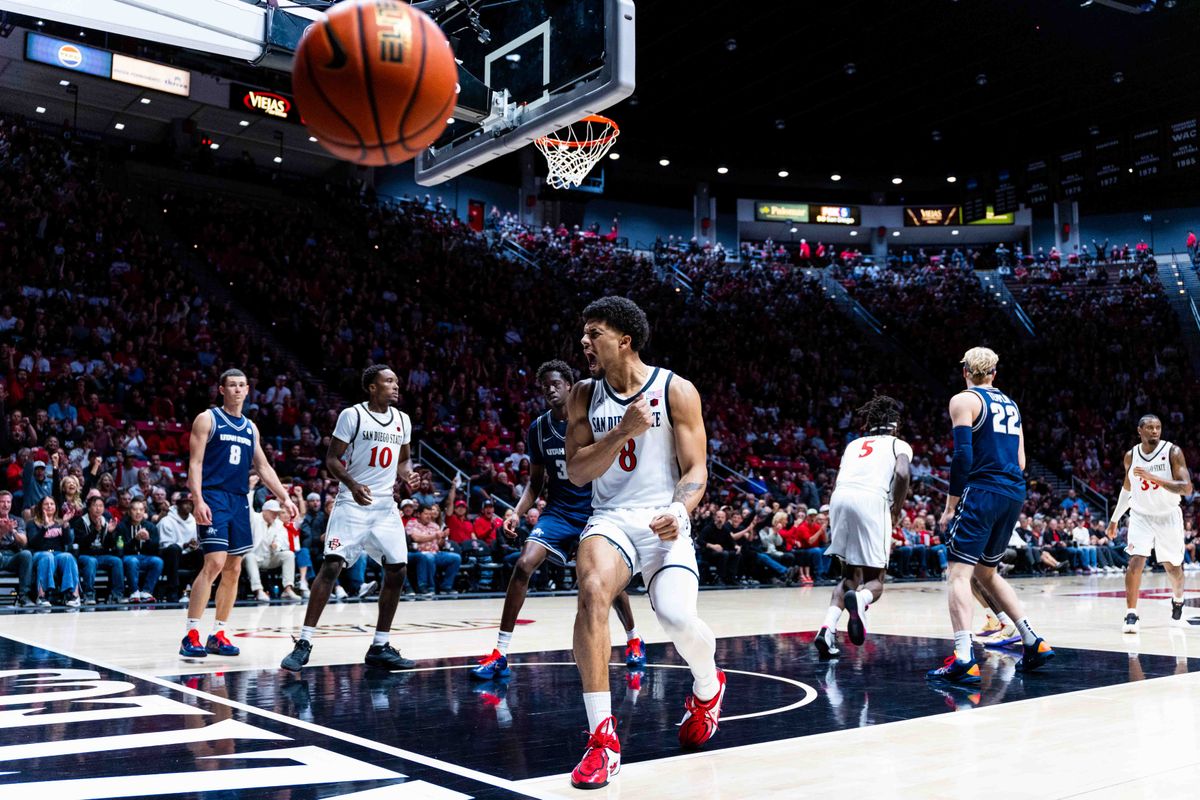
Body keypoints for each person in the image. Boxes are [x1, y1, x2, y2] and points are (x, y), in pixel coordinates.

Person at [565, 297, 722, 789]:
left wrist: (679, 511)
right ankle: (602, 738)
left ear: (624, 340)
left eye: (594, 333)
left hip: (664, 518)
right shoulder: (582, 395)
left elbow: (696, 469)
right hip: (611, 518)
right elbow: (576, 471)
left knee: (676, 619)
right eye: (584, 334)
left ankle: (707, 686)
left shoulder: (676, 389)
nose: (584, 342)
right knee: (592, 590)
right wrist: (623, 432)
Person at [472, 361, 644, 681]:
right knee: (523, 564)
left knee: (604, 581)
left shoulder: (593, 421)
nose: (550, 390)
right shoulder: (538, 428)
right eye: (544, 386)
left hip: (596, 512)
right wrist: (516, 512)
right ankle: (500, 653)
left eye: (555, 384)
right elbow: (535, 483)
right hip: (559, 512)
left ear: (569, 386)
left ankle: (634, 638)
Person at [927, 347, 1055, 685]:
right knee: (987, 571)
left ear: (965, 371)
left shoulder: (964, 400)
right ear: (995, 373)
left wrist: (951, 506)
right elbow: (1023, 461)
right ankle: (1032, 640)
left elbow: (963, 456)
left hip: (983, 490)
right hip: (1013, 491)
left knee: (957, 574)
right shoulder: (1011, 405)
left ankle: (964, 658)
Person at [281, 365, 420, 673]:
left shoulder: (402, 420)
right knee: (331, 566)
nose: (396, 386)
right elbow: (331, 458)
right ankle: (304, 642)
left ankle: (380, 645)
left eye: (397, 380)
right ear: (371, 387)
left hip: (384, 506)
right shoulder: (352, 415)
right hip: (352, 503)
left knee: (397, 571)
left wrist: (410, 475)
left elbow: (404, 459)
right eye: (388, 381)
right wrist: (353, 484)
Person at [180, 369, 298, 658]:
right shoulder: (207, 418)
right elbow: (194, 464)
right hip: (214, 496)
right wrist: (197, 499)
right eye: (231, 385)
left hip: (239, 500)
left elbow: (264, 467)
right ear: (222, 389)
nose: (237, 389)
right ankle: (191, 633)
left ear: (247, 390)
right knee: (214, 563)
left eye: (241, 385)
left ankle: (218, 633)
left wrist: (284, 497)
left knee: (234, 568)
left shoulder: (250, 428)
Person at [814, 396, 911, 659]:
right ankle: (863, 600)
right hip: (871, 500)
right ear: (895, 425)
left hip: (839, 498)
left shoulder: (853, 444)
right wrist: (897, 506)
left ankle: (827, 629)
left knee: (849, 577)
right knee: (873, 580)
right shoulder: (898, 444)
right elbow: (902, 474)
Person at [1106, 414, 1193, 633]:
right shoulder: (1131, 456)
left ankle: (1178, 600)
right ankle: (1131, 614)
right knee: (1135, 561)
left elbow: (1186, 487)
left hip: (1168, 515)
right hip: (1141, 515)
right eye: (1150, 428)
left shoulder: (1172, 452)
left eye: (1158, 428)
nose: (1155, 431)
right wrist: (1114, 519)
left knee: (1173, 567)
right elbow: (1127, 489)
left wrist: (1153, 478)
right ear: (1140, 431)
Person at [28, 495, 81, 607]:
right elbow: (33, 543)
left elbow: (68, 542)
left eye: (52, 504)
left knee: (68, 556)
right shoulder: (32, 523)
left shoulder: (60, 523)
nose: (49, 506)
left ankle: (72, 595)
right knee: (48, 556)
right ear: (40, 507)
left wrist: (66, 524)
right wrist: (45, 527)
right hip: (40, 553)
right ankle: (42, 596)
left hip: (57, 553)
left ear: (56, 507)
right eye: (46, 504)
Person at [72, 494, 124, 604]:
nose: (98, 508)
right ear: (89, 508)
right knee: (91, 561)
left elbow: (110, 546)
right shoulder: (80, 522)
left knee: (117, 561)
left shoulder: (106, 521)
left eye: (101, 506)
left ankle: (117, 595)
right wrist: (96, 530)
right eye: (95, 505)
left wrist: (110, 533)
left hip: (102, 556)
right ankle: (89, 594)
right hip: (85, 555)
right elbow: (82, 545)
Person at [158, 491, 202, 603]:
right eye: (185, 503)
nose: (188, 506)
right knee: (174, 549)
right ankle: (173, 590)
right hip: (168, 556)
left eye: (190, 504)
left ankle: (197, 589)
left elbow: (195, 541)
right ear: (177, 505)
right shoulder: (166, 520)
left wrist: (194, 545)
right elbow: (165, 545)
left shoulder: (193, 521)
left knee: (200, 552)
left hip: (186, 555)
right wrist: (184, 545)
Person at [118, 498, 163, 602]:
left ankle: (147, 592)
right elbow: (120, 549)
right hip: (129, 557)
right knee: (132, 561)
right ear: (129, 511)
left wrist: (147, 540)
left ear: (144, 512)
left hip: (146, 557)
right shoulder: (122, 526)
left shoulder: (151, 527)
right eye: (135, 509)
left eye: (141, 510)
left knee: (158, 561)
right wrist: (135, 540)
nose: (138, 512)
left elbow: (156, 550)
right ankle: (134, 592)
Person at [0, 490, 33, 607]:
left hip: (11, 556)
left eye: (8, 502)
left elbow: (24, 542)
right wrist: (2, 531)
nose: (5, 505)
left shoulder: (17, 521)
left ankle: (24, 596)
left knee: (26, 554)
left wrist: (12, 530)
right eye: (2, 502)